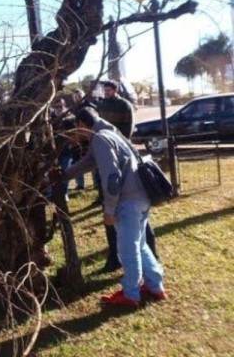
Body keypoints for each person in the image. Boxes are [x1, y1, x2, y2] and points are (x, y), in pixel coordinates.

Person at [63, 108, 166, 306]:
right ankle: (155, 285)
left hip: (127, 201)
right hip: (140, 197)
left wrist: (109, 210)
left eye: (75, 130)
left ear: (82, 124)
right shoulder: (107, 134)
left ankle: (130, 294)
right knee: (140, 244)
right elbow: (88, 162)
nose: (74, 137)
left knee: (127, 249)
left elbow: (112, 177)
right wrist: (65, 175)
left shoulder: (100, 139)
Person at [96, 80, 158, 272]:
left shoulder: (124, 105)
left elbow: (127, 130)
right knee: (113, 207)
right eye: (104, 89)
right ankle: (115, 255)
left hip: (122, 155)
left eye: (109, 89)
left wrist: (115, 143)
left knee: (135, 216)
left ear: (115, 90)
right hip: (106, 154)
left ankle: (149, 256)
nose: (106, 92)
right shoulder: (101, 106)